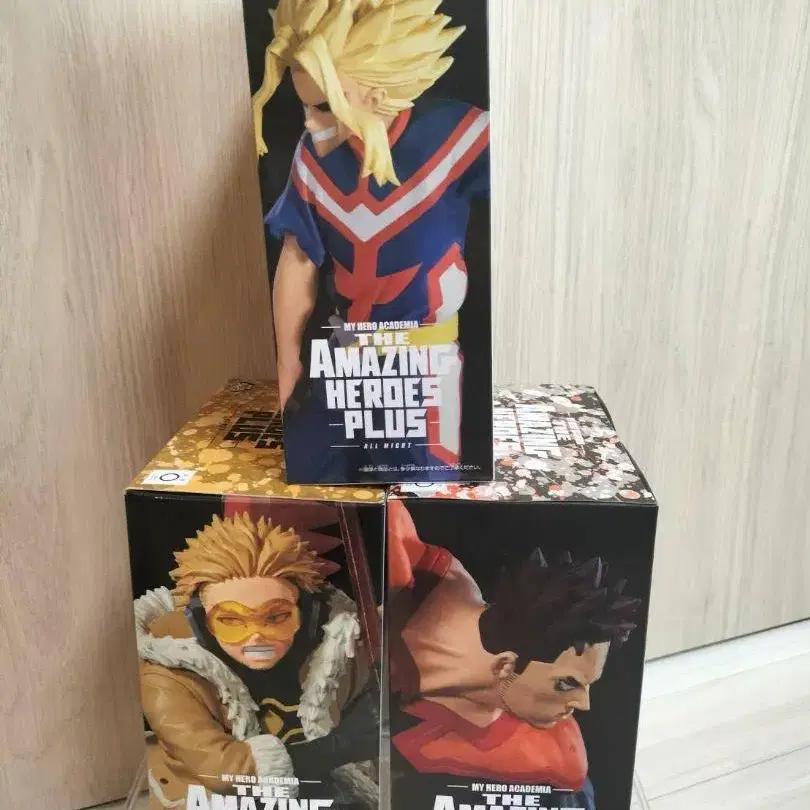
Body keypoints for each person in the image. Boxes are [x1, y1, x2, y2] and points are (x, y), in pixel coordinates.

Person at [252, 0, 490, 481]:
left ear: (378, 94)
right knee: (311, 479)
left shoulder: (458, 136)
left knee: (418, 489)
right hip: (345, 356)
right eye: (305, 105)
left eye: (323, 106)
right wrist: (288, 361)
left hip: (425, 362)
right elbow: (298, 258)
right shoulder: (314, 158)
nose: (308, 122)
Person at [387, 502, 641, 810]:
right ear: (506, 665)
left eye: (586, 685)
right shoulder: (413, 570)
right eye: (565, 683)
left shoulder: (545, 749)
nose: (584, 705)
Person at [134, 513, 378, 809]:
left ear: (307, 612)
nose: (256, 637)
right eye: (230, 620)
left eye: (276, 617)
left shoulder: (335, 647)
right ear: (199, 620)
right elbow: (223, 769)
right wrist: (337, 747)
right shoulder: (167, 676)